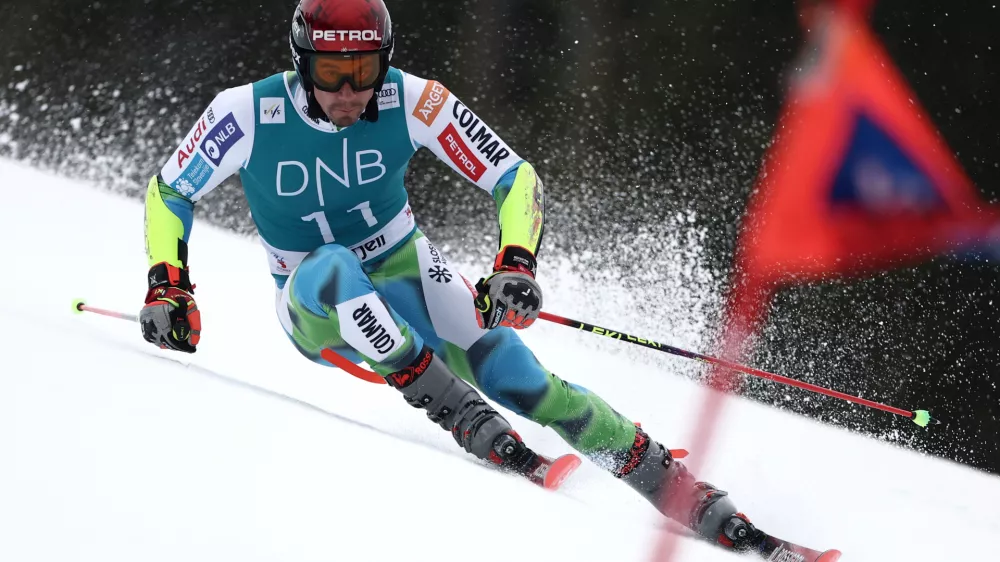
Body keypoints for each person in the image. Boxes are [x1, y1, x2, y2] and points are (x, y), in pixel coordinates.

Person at [138, 0, 762, 552]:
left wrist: (515, 264)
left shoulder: (412, 99)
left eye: (365, 72)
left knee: (523, 380)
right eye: (332, 74)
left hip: (404, 265)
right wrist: (169, 285)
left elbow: (515, 178)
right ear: (301, 62)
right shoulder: (246, 112)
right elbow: (169, 193)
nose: (350, 92)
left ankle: (676, 486)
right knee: (334, 265)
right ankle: (455, 408)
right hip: (313, 301)